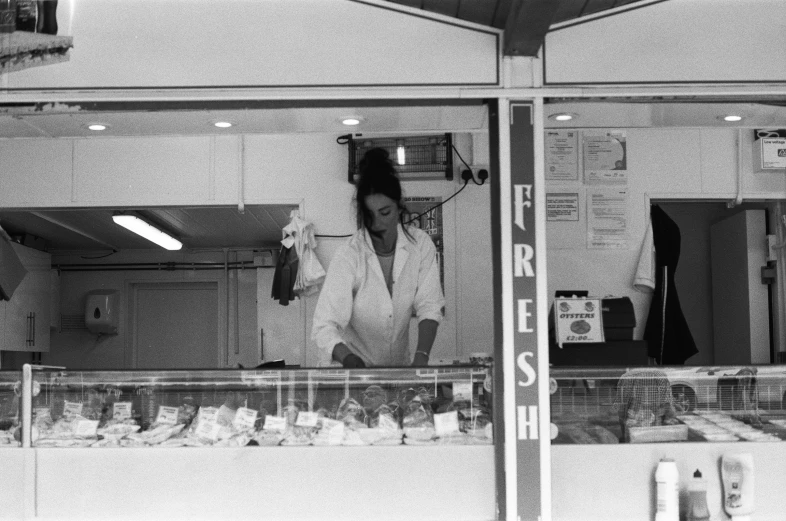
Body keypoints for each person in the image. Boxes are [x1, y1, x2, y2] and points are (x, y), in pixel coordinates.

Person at [311, 147, 445, 368]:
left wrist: (421, 357)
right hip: (352, 371)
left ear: (400, 208)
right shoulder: (350, 254)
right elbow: (324, 325)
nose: (377, 224)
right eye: (369, 215)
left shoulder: (419, 245)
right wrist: (349, 359)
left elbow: (429, 305)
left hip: (399, 369)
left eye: (385, 213)